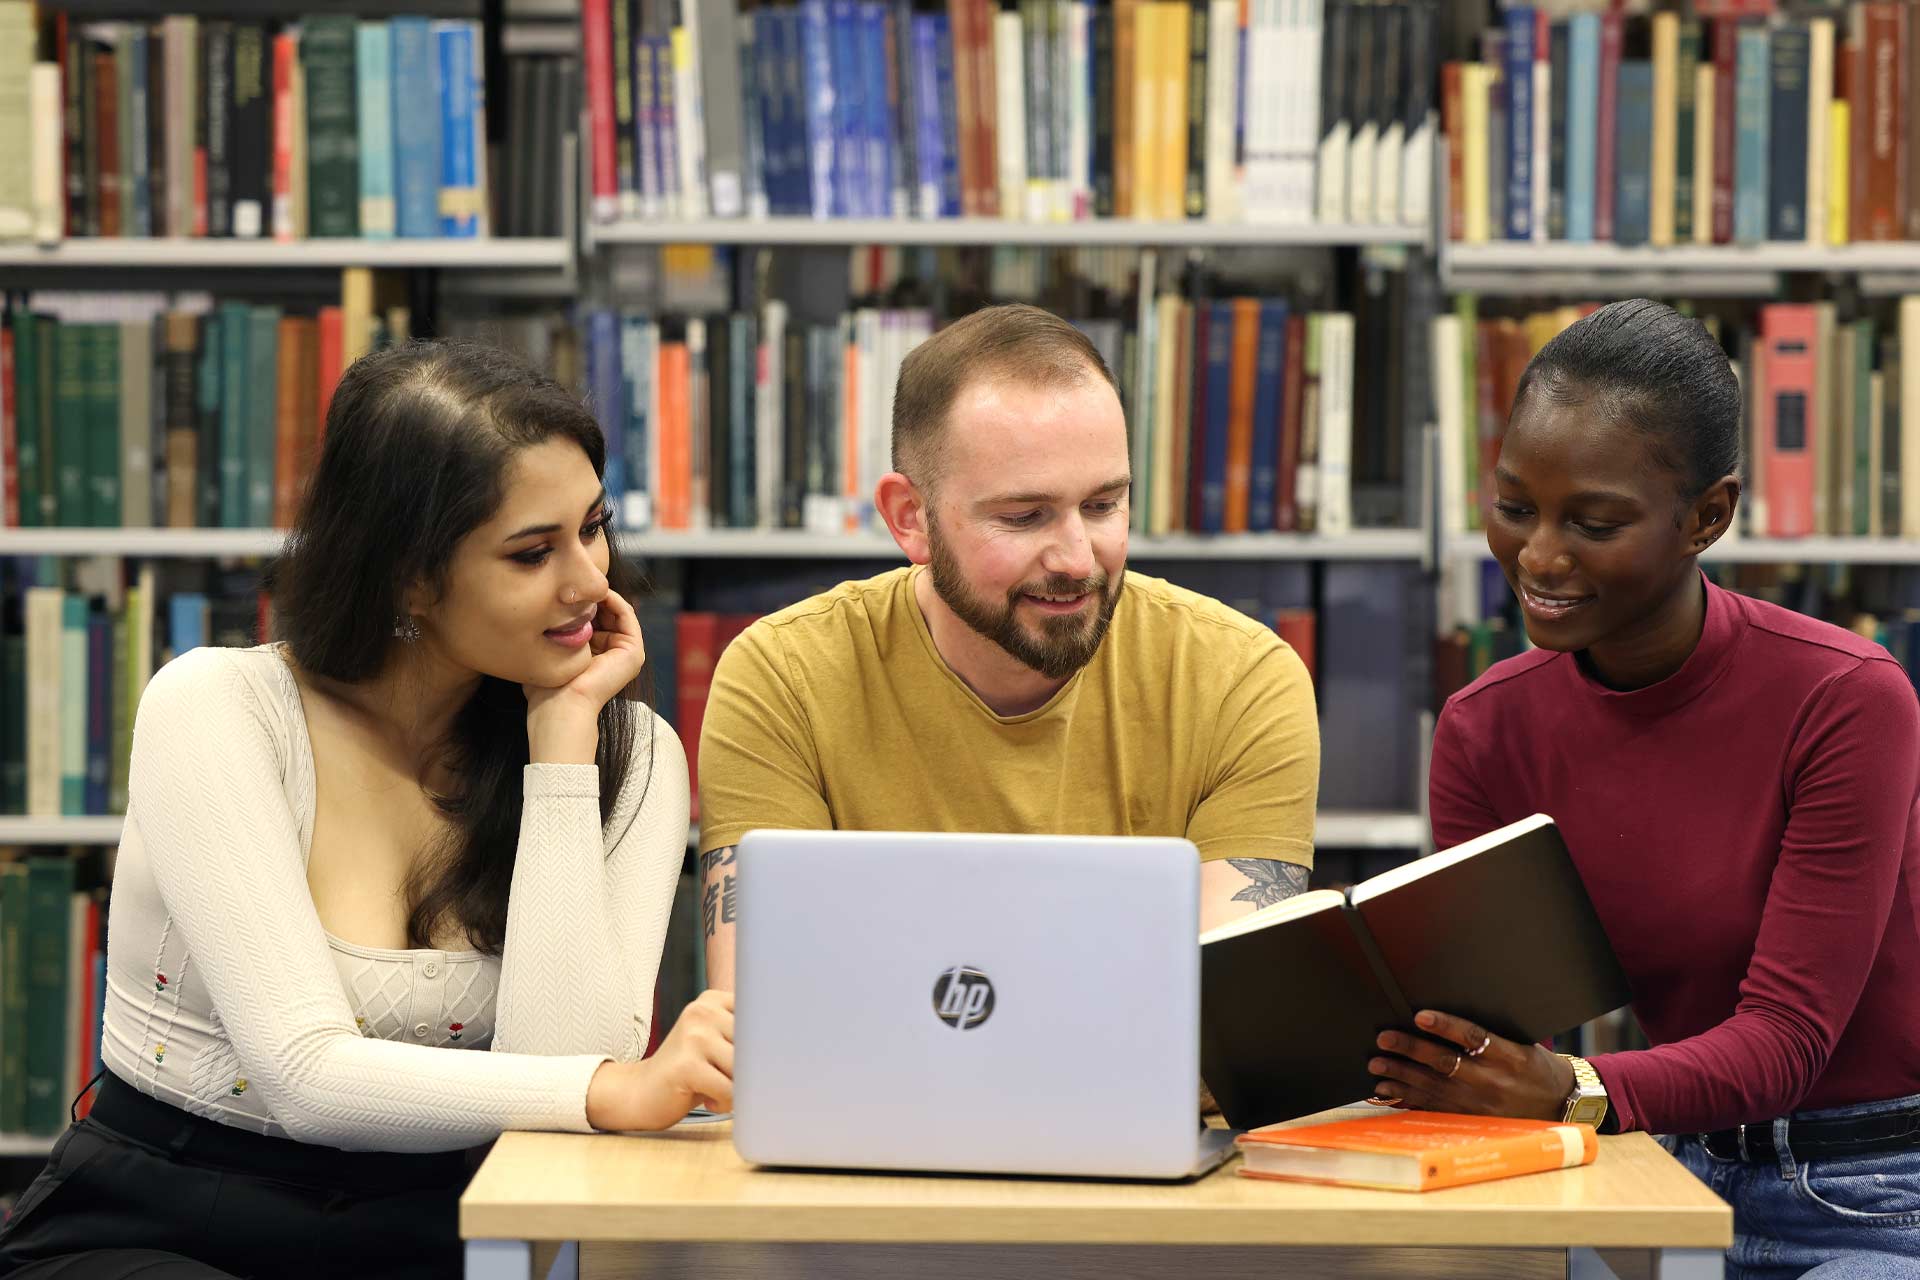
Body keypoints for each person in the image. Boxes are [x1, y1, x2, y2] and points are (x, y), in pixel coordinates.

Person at [0, 341, 733, 1280]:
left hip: (443, 1223)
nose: (592, 582)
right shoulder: (218, 707)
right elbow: (304, 1076)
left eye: (593, 527)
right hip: (166, 1216)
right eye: (532, 552)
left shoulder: (627, 754)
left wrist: (561, 749)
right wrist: (611, 1090)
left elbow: (562, 1068)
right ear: (408, 578)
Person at [1388, 299, 1920, 1278]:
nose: (1540, 556)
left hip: (1877, 1188)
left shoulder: (1848, 698)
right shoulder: (1484, 727)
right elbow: (1507, 1045)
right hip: (1651, 1166)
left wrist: (1568, 1083)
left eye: (1593, 522)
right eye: (1515, 506)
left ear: (1707, 516)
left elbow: (1787, 1042)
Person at [695, 303, 1320, 990]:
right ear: (912, 519)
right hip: (876, 1104)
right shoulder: (783, 677)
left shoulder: (1242, 680)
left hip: (1159, 1105)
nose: (1078, 558)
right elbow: (767, 1015)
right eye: (1025, 517)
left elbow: (1226, 1021)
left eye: (1104, 505)